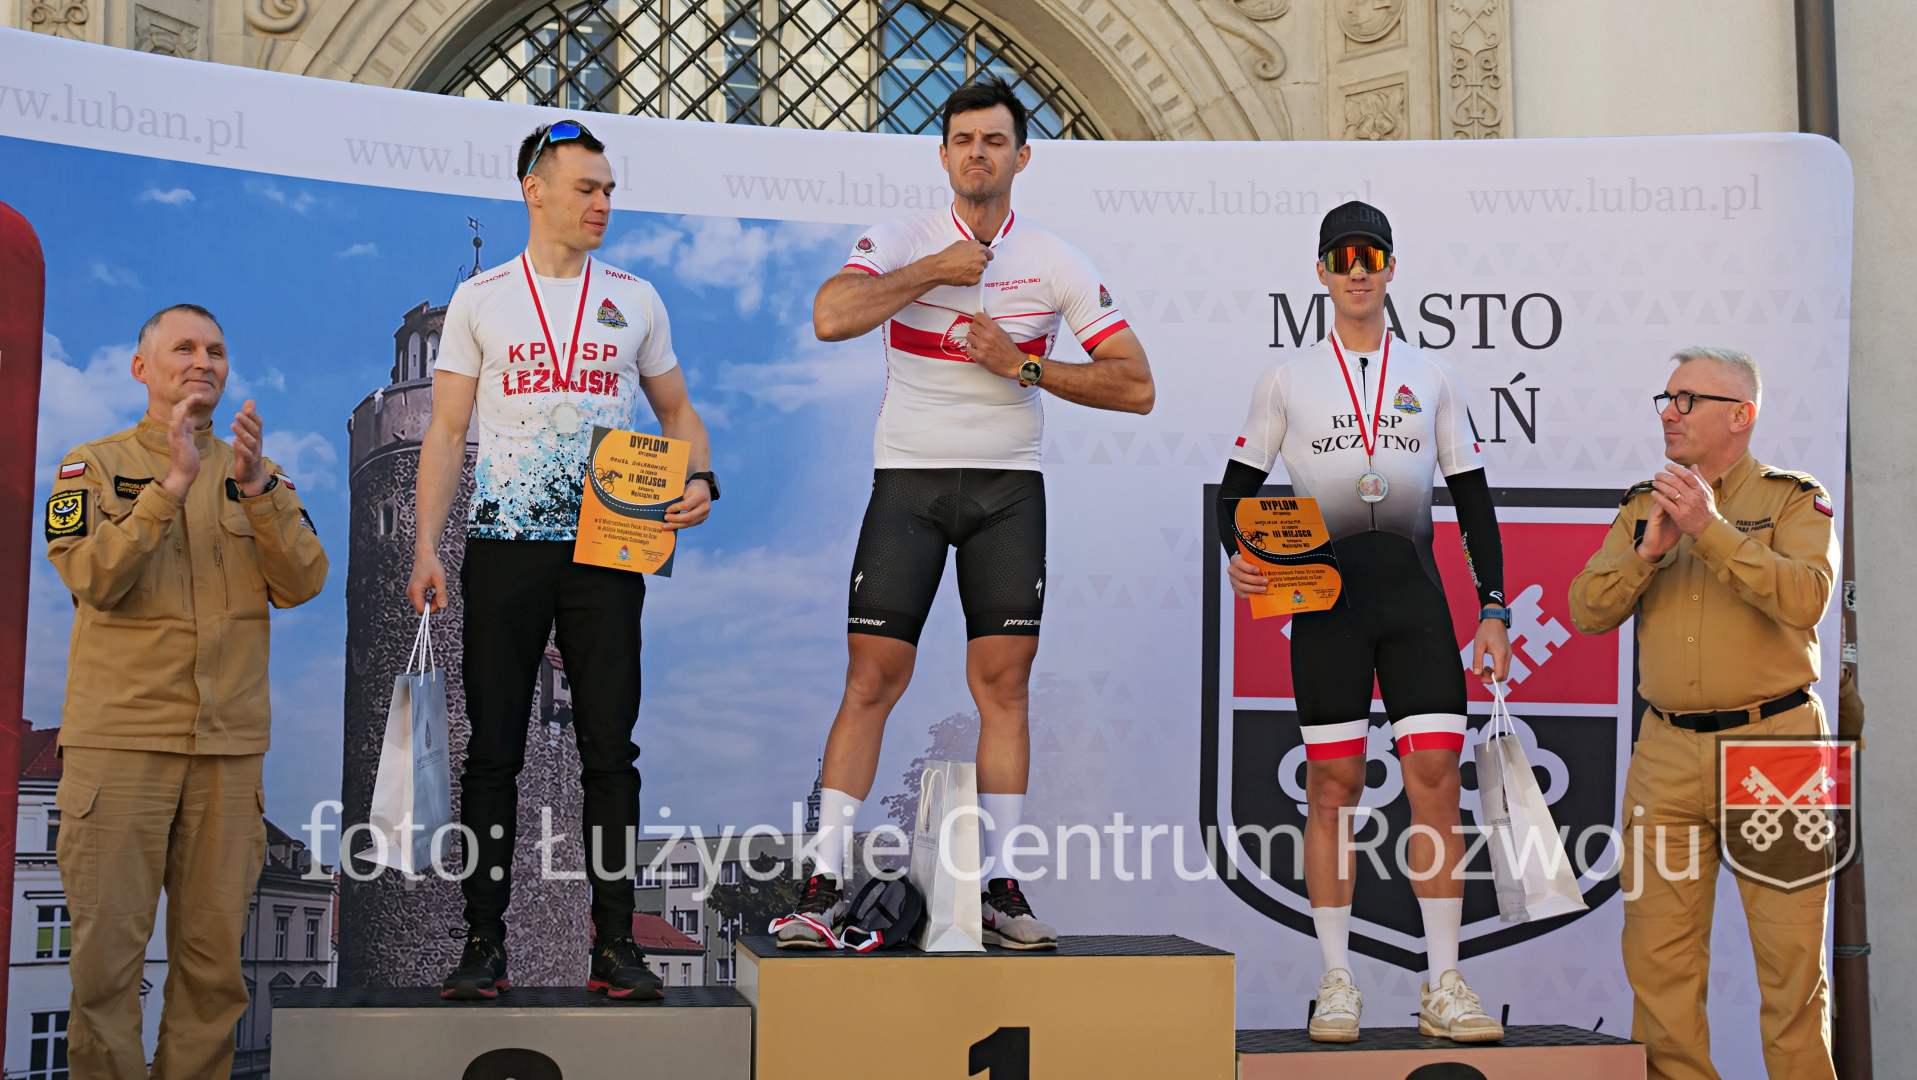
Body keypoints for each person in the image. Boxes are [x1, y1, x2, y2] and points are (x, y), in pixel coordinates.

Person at [772, 77, 1154, 951]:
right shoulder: (903, 239)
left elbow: (1136, 387)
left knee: (1004, 687)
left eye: (994, 141)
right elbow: (830, 315)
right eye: (963, 140)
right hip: (908, 483)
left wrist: (1023, 366)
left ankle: (1000, 886)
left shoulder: (1054, 261)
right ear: (943, 155)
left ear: (1022, 157)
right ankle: (823, 882)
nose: (978, 153)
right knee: (870, 680)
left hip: (1006, 489)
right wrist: (931, 272)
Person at [408, 120, 716, 1001]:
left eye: (609, 189)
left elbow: (678, 410)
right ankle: (483, 942)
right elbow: (446, 431)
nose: (602, 203)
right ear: (534, 190)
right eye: (586, 187)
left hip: (606, 549)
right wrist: (426, 544)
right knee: (493, 753)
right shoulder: (481, 299)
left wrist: (700, 477)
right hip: (505, 545)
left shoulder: (635, 296)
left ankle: (614, 944)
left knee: (609, 752)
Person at [1217, 201, 1510, 1043]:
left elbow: (1473, 502)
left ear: (1389, 269)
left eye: (1369, 256)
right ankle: (1336, 979)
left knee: (1435, 781)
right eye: (1341, 257)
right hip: (1327, 606)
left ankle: (1444, 982)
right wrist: (1240, 557)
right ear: (1320, 272)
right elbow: (1234, 495)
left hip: (1415, 601)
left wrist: (1492, 608)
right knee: (1333, 788)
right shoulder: (1287, 379)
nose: (1356, 271)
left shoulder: (1431, 375)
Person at [45, 303, 328, 1078]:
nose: (202, 361)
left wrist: (258, 490)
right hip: (121, 747)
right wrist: (170, 486)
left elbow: (303, 581)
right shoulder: (90, 467)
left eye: (215, 350)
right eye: (183, 348)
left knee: (213, 974)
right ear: (142, 368)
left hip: (227, 755)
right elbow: (92, 576)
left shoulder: (258, 474)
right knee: (105, 971)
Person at [1569, 347, 1839, 1080]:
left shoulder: (1794, 499)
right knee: (1658, 963)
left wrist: (1711, 529)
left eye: (1688, 400)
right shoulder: (1642, 503)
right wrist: (1647, 553)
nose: (1669, 412)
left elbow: (1806, 600)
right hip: (1666, 751)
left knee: (1791, 965)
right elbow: (1586, 610)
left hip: (1777, 748)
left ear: (1740, 416)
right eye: (1666, 398)